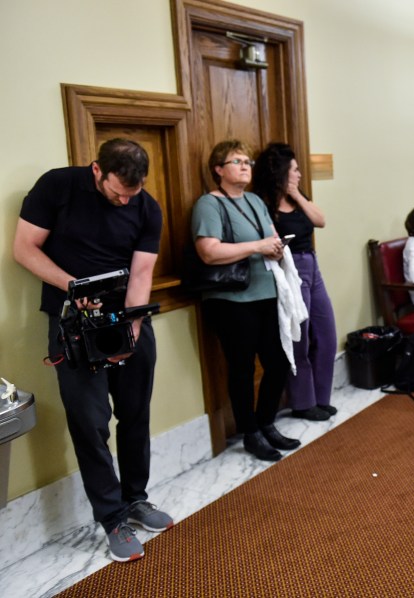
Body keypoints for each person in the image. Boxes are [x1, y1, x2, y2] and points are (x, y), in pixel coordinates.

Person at [13, 138, 173, 563]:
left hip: (128, 319)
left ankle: (136, 499)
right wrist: (74, 286)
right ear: (97, 170)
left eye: (132, 194)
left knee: (136, 413)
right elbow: (23, 248)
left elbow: (142, 272)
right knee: (90, 422)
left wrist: (134, 328)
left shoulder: (146, 207)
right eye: (118, 192)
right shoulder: (57, 188)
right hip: (72, 324)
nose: (125, 201)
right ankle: (113, 518)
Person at [192, 140, 300, 462]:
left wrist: (277, 247)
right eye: (236, 161)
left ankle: (267, 422)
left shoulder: (254, 200)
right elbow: (208, 252)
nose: (244, 166)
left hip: (267, 293)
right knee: (240, 368)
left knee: (278, 363)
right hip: (231, 300)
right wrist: (257, 247)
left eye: (248, 162)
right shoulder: (209, 204)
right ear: (218, 169)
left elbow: (269, 238)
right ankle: (250, 432)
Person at [253, 142, 338, 422]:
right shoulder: (264, 202)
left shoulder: (297, 196)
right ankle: (303, 402)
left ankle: (321, 397)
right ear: (281, 173)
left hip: (312, 265)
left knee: (326, 333)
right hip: (289, 268)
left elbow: (321, 220)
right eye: (295, 170)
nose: (299, 174)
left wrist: (295, 194)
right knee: (299, 337)